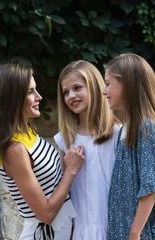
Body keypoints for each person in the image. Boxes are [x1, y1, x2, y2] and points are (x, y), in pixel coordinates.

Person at [0, 62, 85, 239]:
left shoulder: (27, 131)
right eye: (30, 92)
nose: (39, 97)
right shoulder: (14, 149)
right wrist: (70, 171)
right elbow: (46, 214)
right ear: (12, 98)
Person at [104, 53, 155, 240]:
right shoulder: (126, 130)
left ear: (128, 86)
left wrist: (135, 233)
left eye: (108, 84)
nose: (105, 91)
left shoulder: (146, 128)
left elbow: (151, 188)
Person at [53, 60, 120, 239]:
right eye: (65, 92)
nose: (71, 96)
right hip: (79, 232)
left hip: (114, 229)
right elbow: (64, 193)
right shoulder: (65, 140)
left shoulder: (118, 134)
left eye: (77, 87)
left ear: (94, 86)